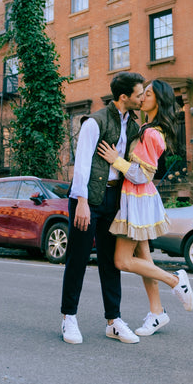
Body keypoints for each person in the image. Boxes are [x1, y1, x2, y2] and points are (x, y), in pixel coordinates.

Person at [97, 80, 193, 337]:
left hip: (138, 199)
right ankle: (157, 312)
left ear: (158, 101)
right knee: (144, 259)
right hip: (134, 199)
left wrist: (115, 160)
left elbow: (143, 175)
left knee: (122, 260)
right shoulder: (145, 127)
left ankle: (176, 281)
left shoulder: (152, 134)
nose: (142, 97)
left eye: (147, 94)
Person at [61, 71, 145, 344]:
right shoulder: (95, 122)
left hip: (114, 199)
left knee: (111, 262)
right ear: (124, 97)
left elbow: (135, 167)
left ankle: (114, 321)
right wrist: (82, 201)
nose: (142, 97)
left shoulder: (133, 125)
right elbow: (83, 163)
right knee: (78, 258)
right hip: (87, 198)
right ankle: (69, 318)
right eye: (139, 94)